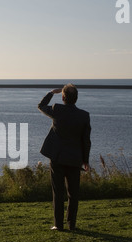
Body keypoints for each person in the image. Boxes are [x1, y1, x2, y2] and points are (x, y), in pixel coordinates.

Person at [38, 84, 91, 231]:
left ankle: (58, 225)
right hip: (75, 159)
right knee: (73, 193)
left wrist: (50, 93)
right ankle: (71, 225)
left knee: (58, 191)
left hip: (57, 157)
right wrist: (85, 160)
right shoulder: (84, 116)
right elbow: (86, 140)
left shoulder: (57, 109)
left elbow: (41, 106)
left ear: (63, 97)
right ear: (76, 98)